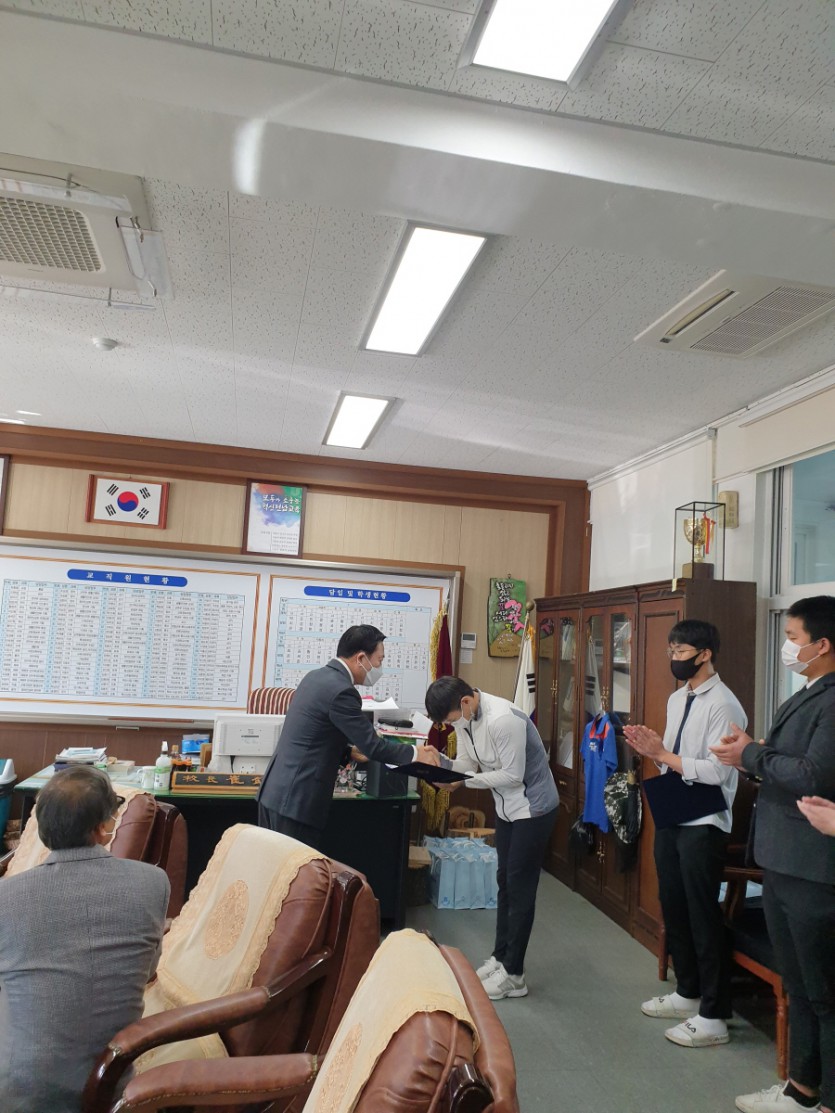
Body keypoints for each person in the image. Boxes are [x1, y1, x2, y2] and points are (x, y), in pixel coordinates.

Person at [712, 595, 835, 1113]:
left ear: (822, 645)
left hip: (814, 866)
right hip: (782, 857)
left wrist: (753, 753)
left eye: (792, 638)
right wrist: (750, 755)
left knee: (823, 992)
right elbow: (784, 763)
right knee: (800, 984)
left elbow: (813, 776)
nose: (786, 647)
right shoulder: (806, 692)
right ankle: (801, 1088)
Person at [0, 766, 169, 1113]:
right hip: (109, 1085)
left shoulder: (6, 896)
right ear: (102, 827)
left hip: (19, 1091)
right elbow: (148, 971)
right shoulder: (152, 882)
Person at [623, 620, 745, 1049]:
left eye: (681, 652)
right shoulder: (678, 699)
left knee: (702, 914)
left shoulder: (724, 704)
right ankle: (687, 992)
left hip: (705, 821)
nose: (674, 659)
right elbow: (673, 760)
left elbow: (717, 771)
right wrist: (654, 752)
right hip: (674, 812)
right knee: (673, 905)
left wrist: (663, 754)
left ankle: (714, 1014)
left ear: (705, 654)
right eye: (671, 651)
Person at [424, 676, 558, 1001]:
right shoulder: (466, 717)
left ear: (465, 702)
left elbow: (512, 775)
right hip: (507, 807)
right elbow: (468, 763)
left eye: (450, 719)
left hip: (533, 808)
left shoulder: (502, 720)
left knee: (520, 887)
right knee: (504, 882)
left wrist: (461, 782)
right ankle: (501, 958)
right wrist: (442, 764)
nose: (451, 725)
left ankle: (515, 975)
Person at [257, 624, 439, 848]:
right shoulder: (343, 691)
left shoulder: (315, 677)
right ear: (361, 658)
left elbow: (313, 736)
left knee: (276, 866)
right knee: (295, 869)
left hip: (274, 793)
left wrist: (349, 752)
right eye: (379, 660)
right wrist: (415, 753)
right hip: (296, 802)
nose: (380, 668)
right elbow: (373, 747)